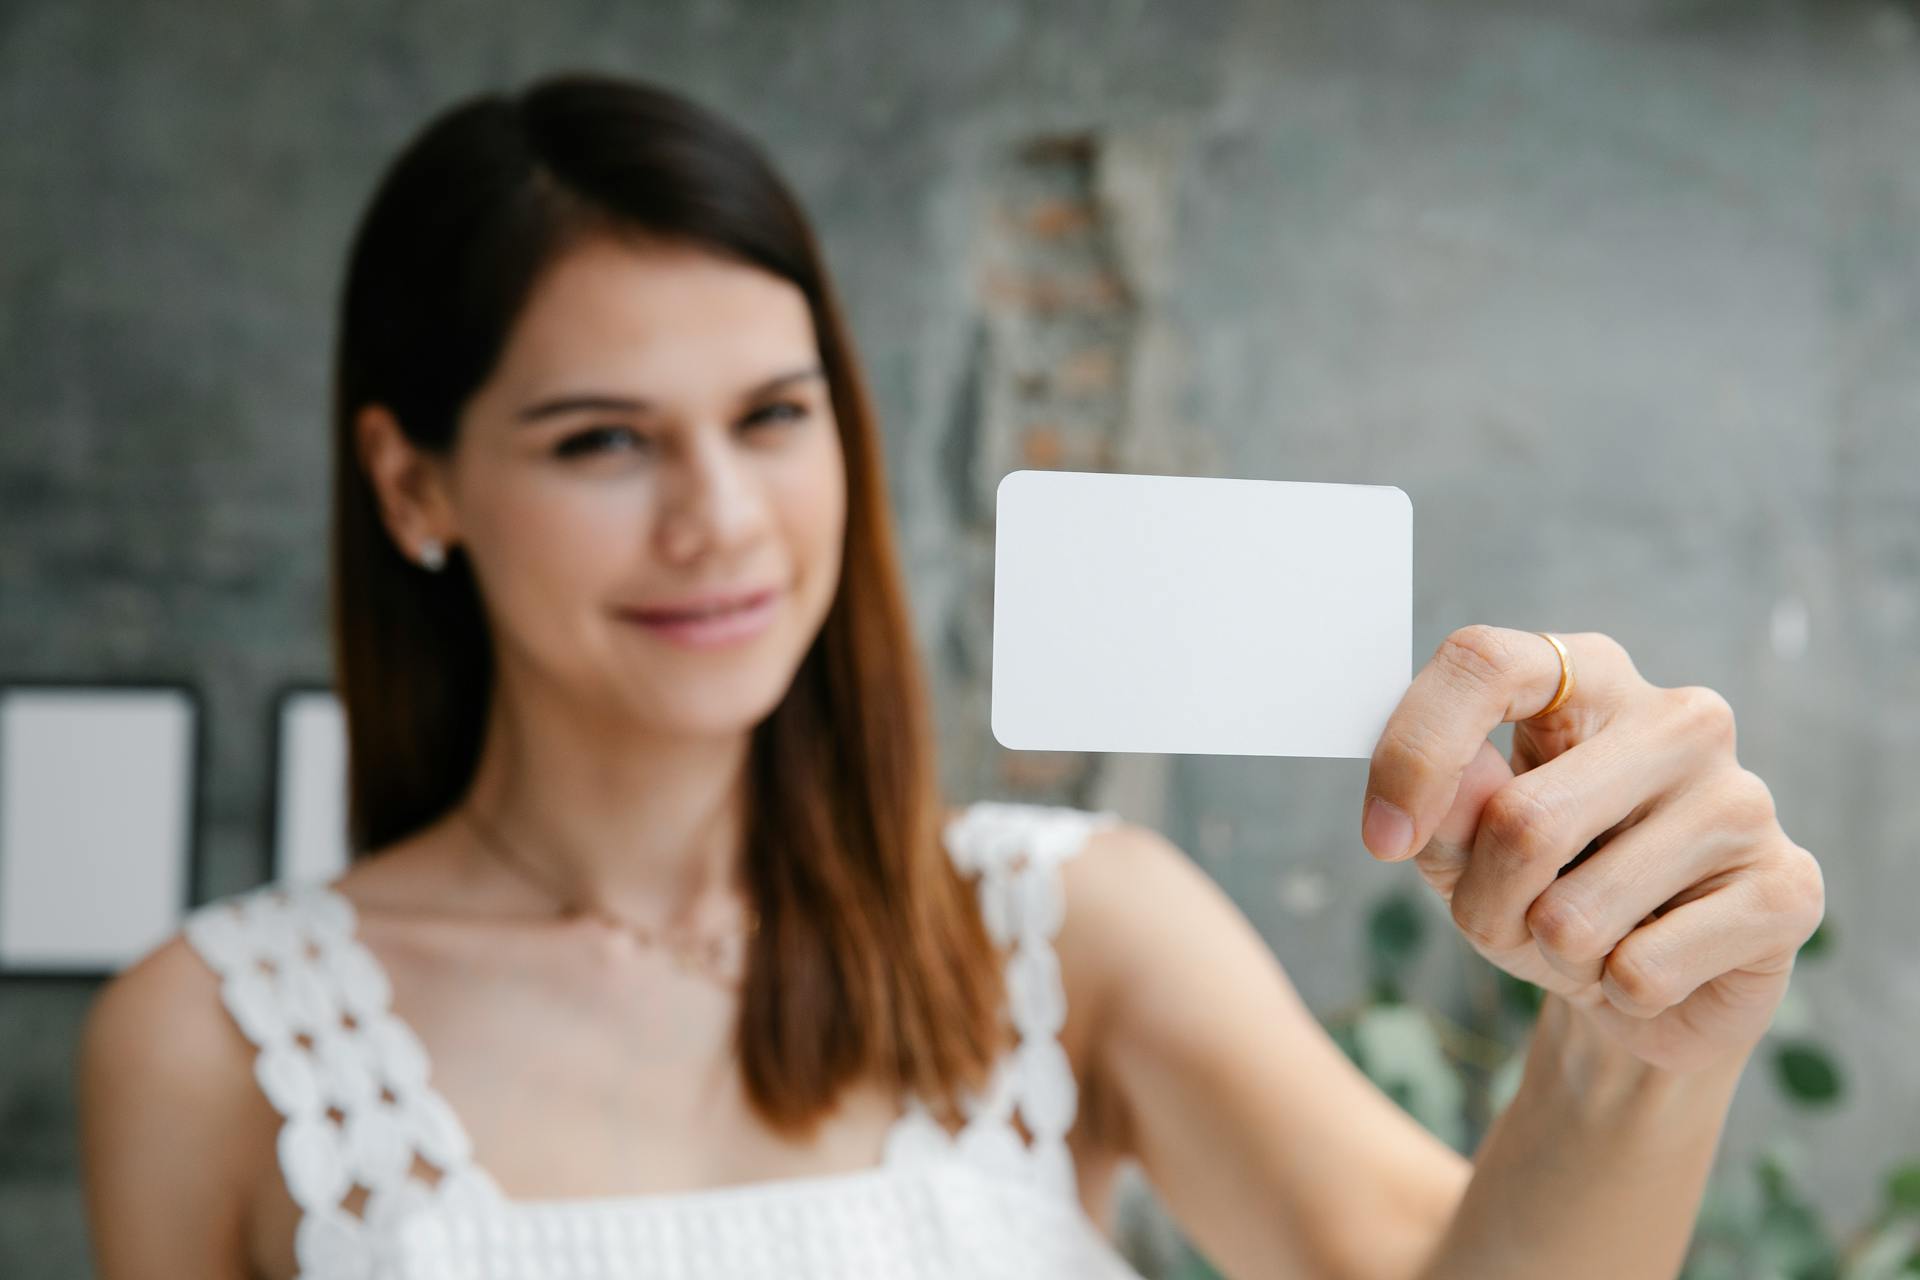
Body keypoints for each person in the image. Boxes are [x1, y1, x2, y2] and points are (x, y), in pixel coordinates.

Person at [74, 71, 1824, 1280]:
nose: (721, 521)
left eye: (775, 415)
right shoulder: (204, 1041)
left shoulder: (1070, 930)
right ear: (413, 485)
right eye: (602, 441)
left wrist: (1637, 1047)